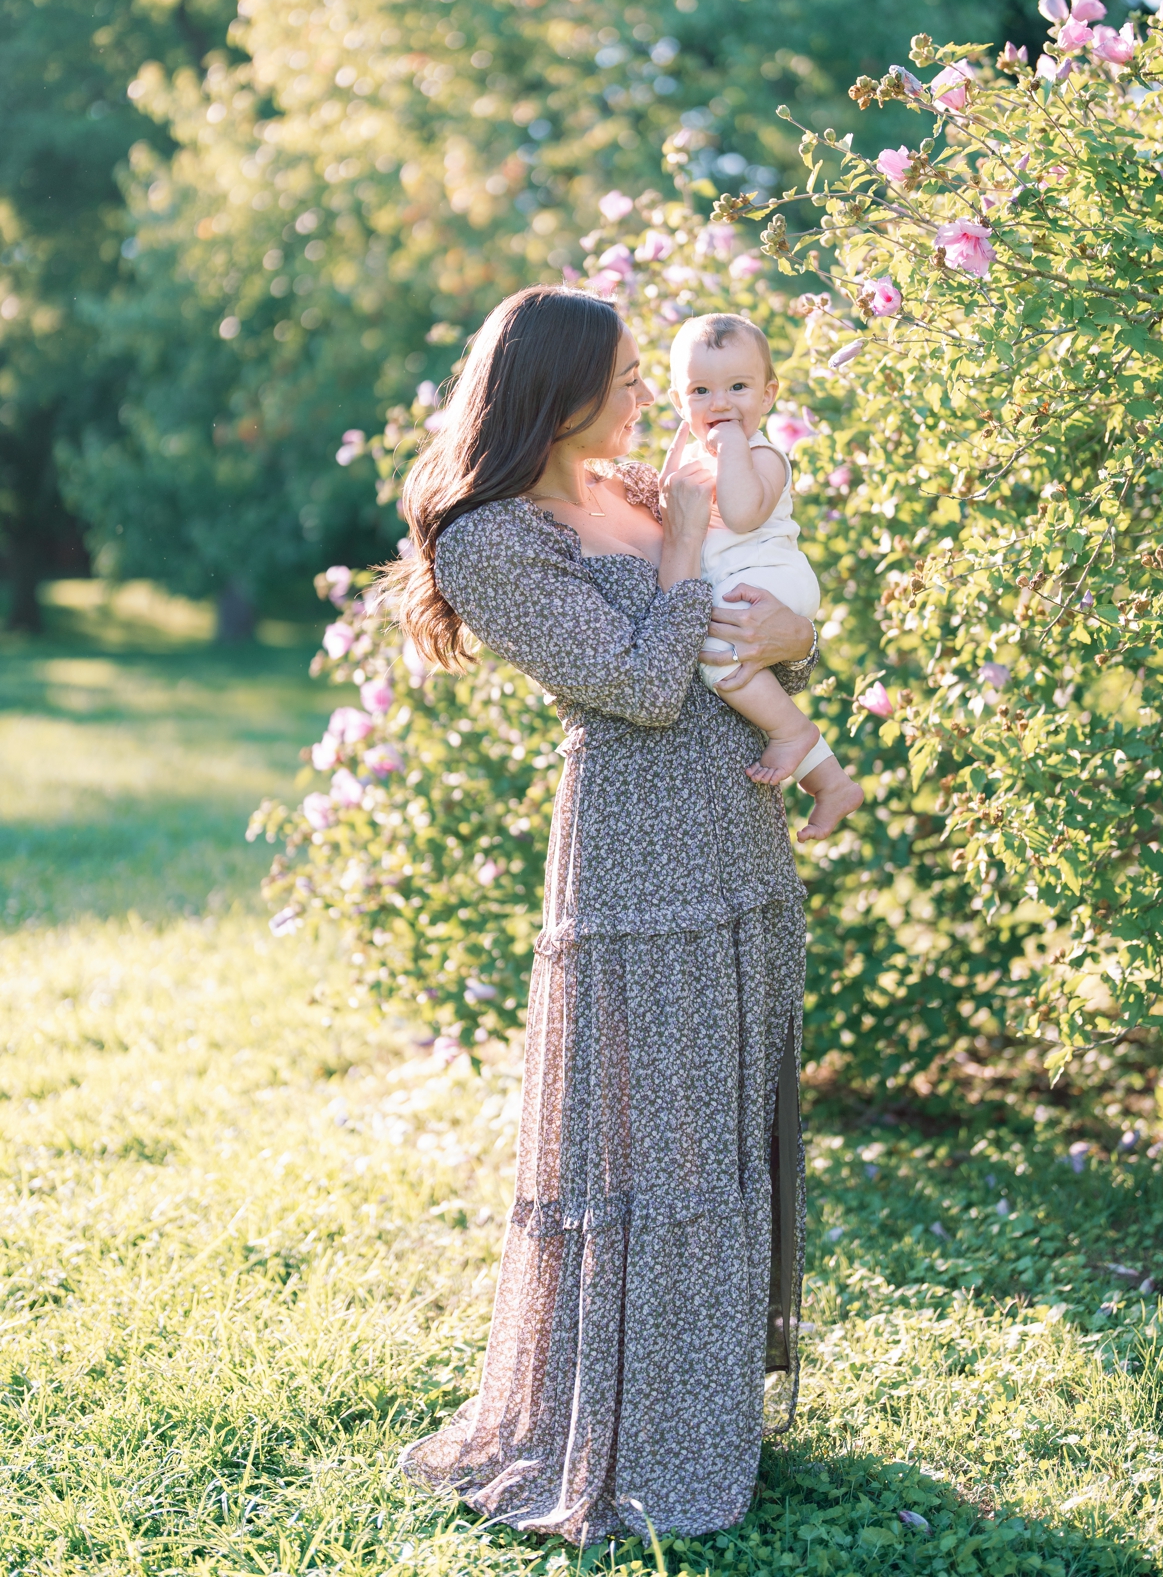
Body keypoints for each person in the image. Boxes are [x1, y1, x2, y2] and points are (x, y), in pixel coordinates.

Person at [386, 285, 823, 1548]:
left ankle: (708, 1411)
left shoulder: (632, 484)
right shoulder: (491, 540)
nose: (652, 397)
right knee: (649, 1143)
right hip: (637, 859)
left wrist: (797, 622)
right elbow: (636, 683)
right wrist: (687, 551)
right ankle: (625, 1428)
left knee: (724, 1115)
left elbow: (768, 630)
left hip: (736, 827)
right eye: (631, 376)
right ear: (557, 388)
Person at [663, 312, 863, 841]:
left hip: (774, 581)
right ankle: (830, 781)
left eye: (738, 387)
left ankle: (790, 730)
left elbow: (743, 513)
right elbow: (669, 506)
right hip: (743, 588)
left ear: (768, 395)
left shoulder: (764, 455)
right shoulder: (695, 452)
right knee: (740, 669)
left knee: (715, 661)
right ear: (679, 403)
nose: (721, 403)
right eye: (701, 390)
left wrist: (728, 449)